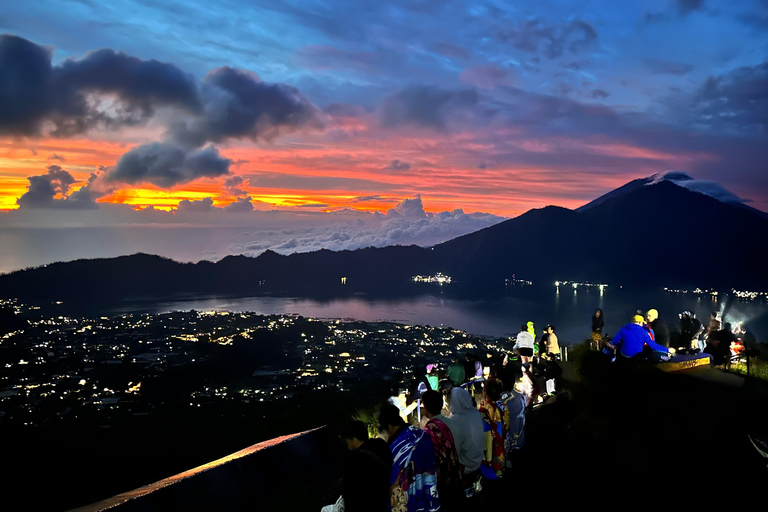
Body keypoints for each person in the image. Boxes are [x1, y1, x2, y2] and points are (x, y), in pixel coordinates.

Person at [379, 403, 441, 512]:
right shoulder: (422, 435)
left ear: (389, 426)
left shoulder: (396, 447)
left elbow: (393, 480)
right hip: (429, 494)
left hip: (409, 503)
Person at [421, 390, 463, 510]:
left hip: (442, 484)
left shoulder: (429, 431)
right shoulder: (451, 424)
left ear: (425, 407)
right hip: (456, 476)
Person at [339, 420, 393, 512]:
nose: (347, 445)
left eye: (347, 442)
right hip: (385, 503)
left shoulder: (355, 462)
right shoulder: (381, 446)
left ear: (354, 440)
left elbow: (350, 495)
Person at [441, 387, 485, 488]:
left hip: (466, 465)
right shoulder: (475, 413)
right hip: (478, 459)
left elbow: (453, 450)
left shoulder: (453, 421)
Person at [606, 314, 671, 362]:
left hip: (624, 356)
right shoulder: (644, 332)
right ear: (640, 322)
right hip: (637, 358)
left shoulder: (623, 328)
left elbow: (614, 342)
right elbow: (653, 345)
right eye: (642, 323)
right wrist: (667, 350)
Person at [477, 378, 505, 477]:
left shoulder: (483, 410)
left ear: (485, 392)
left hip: (489, 454)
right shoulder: (504, 407)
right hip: (502, 449)